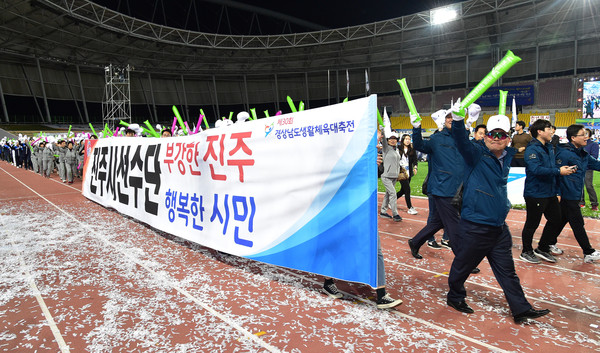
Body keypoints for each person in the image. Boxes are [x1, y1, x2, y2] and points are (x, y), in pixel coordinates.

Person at [447, 110, 550, 324]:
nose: (496, 138)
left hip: (498, 227)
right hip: (475, 225)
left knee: (507, 272)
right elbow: (460, 140)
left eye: (501, 134)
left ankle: (520, 309)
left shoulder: (508, 155)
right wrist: (458, 121)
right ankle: (455, 297)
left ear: (508, 138)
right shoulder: (475, 154)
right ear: (485, 137)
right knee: (463, 266)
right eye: (492, 134)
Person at [322, 135, 403, 309]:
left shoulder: (367, 151)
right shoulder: (337, 155)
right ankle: (328, 281)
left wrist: (375, 164)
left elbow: (372, 176)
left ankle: (381, 294)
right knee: (338, 246)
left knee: (376, 248)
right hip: (343, 208)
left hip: (364, 206)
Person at [407, 109, 465, 257]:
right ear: (444, 120)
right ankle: (464, 260)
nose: (451, 119)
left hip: (458, 189)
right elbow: (419, 145)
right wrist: (416, 128)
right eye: (448, 117)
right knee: (454, 225)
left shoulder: (463, 138)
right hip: (442, 189)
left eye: (454, 117)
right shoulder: (437, 138)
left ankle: (415, 242)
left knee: (437, 222)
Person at [519, 119, 575, 264]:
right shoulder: (532, 149)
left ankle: (543, 248)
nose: (552, 131)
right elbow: (535, 169)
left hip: (550, 192)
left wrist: (557, 191)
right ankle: (526, 251)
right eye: (549, 128)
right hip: (535, 193)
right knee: (532, 223)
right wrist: (558, 171)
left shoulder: (549, 147)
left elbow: (552, 170)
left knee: (557, 219)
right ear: (540, 131)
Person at [547, 124, 600, 263]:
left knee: (561, 220)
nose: (586, 137)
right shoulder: (563, 154)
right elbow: (556, 174)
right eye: (583, 135)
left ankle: (548, 243)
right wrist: (557, 192)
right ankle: (588, 252)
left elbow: (597, 165)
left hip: (575, 193)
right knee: (577, 223)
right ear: (573, 138)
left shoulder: (583, 154)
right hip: (566, 194)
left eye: (586, 135)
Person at [379, 132, 402, 222]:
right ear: (388, 141)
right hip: (386, 176)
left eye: (395, 139)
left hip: (394, 176)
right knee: (393, 194)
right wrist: (382, 130)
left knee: (388, 194)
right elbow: (383, 139)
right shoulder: (386, 149)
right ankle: (395, 213)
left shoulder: (396, 150)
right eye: (391, 139)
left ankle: (383, 212)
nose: (393, 140)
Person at [396, 134, 418, 215]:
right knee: (407, 189)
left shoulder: (412, 149)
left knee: (403, 190)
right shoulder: (398, 148)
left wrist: (415, 167)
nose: (408, 140)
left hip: (408, 172)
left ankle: (390, 200)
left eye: (409, 139)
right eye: (406, 139)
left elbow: (415, 160)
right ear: (402, 140)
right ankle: (410, 208)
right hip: (401, 172)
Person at [579, 128, 599, 211]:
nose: (584, 135)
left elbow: (594, 157)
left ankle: (594, 203)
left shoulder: (593, 144)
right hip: (579, 168)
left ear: (589, 135)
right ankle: (581, 202)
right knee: (580, 186)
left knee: (588, 185)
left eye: (586, 133)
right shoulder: (579, 144)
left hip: (588, 168)